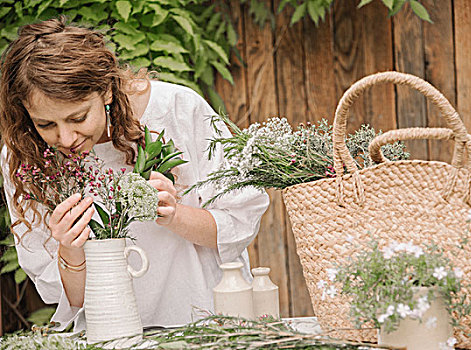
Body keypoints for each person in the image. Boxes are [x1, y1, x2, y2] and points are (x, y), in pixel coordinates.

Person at [0, 16, 269, 332]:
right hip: (109, 334)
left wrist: (174, 214)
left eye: (78, 117)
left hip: (207, 325)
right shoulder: (25, 157)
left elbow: (240, 223)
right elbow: (67, 299)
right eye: (46, 124)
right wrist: (70, 249)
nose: (66, 137)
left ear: (106, 92)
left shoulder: (177, 109)